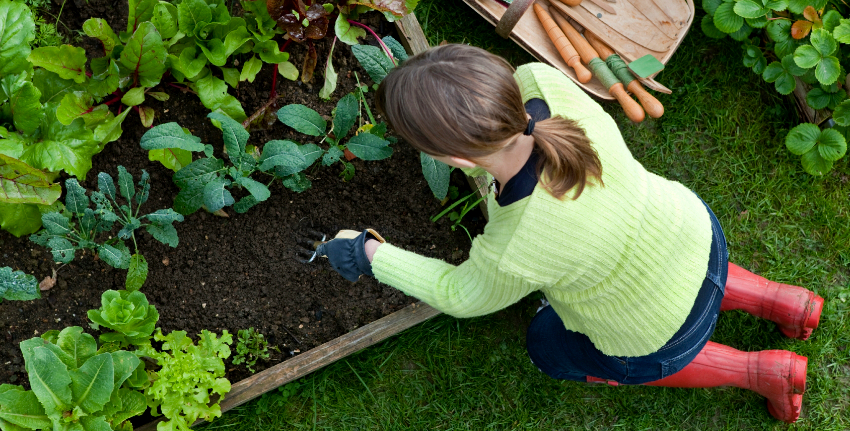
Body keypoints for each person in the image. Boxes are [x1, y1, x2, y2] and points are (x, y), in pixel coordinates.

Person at [313, 44, 823, 423]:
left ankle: (762, 372)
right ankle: (784, 301)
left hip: (661, 332)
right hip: (694, 233)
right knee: (663, 262)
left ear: (457, 161)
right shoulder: (543, 83)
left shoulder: (517, 245)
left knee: (548, 345)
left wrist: (371, 253)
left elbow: (460, 294)